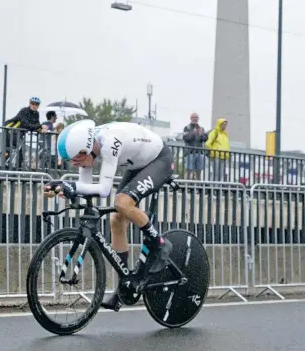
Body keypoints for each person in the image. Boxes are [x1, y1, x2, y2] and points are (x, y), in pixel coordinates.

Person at [44, 119, 174, 312]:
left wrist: (71, 186)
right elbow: (85, 188)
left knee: (122, 202)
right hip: (138, 164)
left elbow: (104, 190)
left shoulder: (109, 143)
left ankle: (160, 243)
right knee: (116, 220)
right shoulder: (87, 147)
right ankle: (125, 284)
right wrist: (63, 187)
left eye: (75, 160)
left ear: (84, 150)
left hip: (159, 160)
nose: (75, 164)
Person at [183, 112, 208, 180]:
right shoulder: (187, 127)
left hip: (200, 152)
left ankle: (198, 186)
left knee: (199, 171)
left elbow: (205, 139)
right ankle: (186, 184)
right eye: (193, 117)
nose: (195, 119)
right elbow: (186, 138)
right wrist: (193, 133)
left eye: (196, 117)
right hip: (190, 152)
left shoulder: (201, 128)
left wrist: (201, 134)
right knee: (189, 170)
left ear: (198, 119)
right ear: (190, 118)